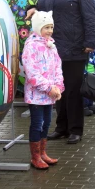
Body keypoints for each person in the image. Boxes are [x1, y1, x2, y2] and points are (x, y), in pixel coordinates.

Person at [26, 0, 95, 144]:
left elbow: (90, 15)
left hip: (75, 46)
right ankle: (61, 127)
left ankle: (75, 129)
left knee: (73, 90)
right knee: (58, 89)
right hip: (52, 48)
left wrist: (90, 42)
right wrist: (34, 8)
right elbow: (44, 9)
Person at [22, 11, 64, 170]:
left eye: (51, 27)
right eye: (46, 27)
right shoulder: (31, 46)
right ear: (38, 27)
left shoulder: (51, 45)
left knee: (47, 123)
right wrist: (48, 87)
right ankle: (35, 156)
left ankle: (43, 153)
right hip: (37, 95)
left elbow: (58, 67)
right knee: (37, 124)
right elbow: (32, 72)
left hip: (50, 94)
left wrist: (58, 87)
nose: (50, 31)